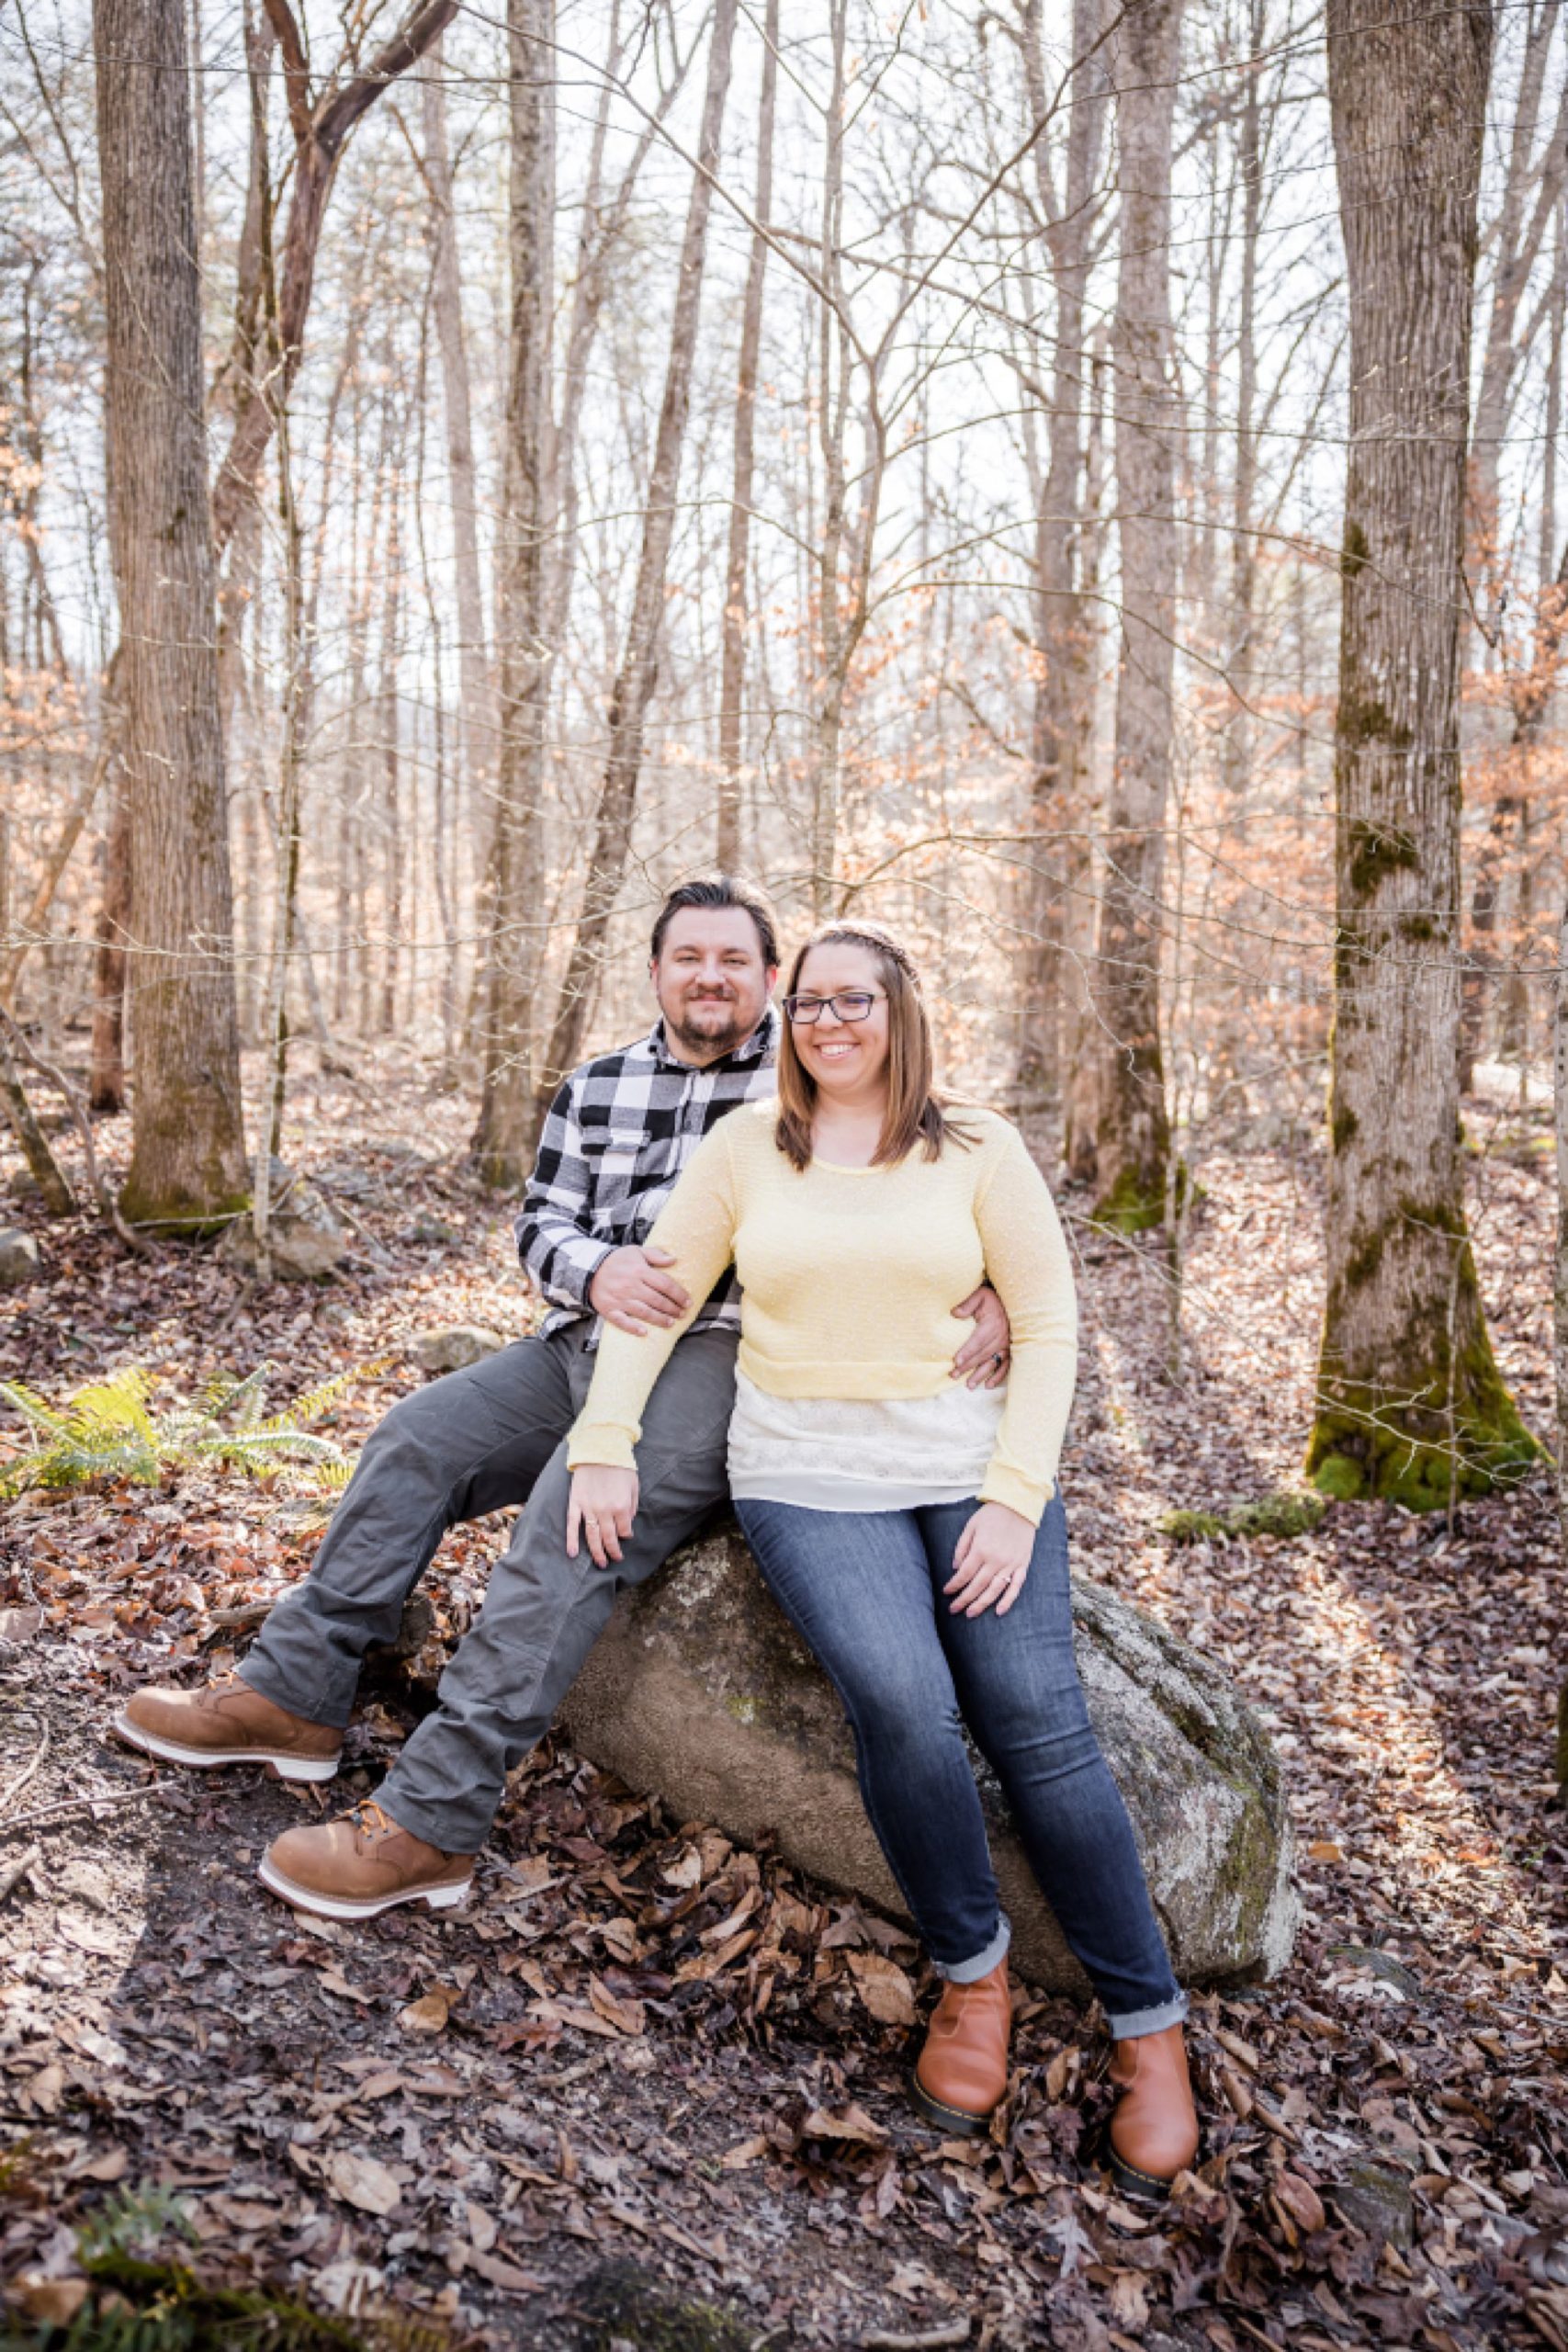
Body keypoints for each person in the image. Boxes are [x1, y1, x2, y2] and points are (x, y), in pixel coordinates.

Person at [112, 877, 1013, 1924]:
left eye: (735, 961)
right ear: (656, 970)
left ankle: (433, 1820)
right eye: (689, 957)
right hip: (583, 1340)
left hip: (718, 1359)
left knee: (567, 1526)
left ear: (772, 979)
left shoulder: (813, 1077)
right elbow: (540, 1221)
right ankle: (293, 1693)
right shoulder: (597, 1085)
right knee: (416, 1437)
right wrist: (595, 1272)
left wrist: (991, 1282)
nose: (710, 977)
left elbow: (938, 1178)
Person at [564, 919, 1199, 2201]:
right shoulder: (749, 1146)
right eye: (806, 1003)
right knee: (903, 1707)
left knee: (1038, 1721)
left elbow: (1053, 1325)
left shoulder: (977, 1146)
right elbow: (658, 1293)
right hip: (809, 1478)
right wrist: (601, 1440)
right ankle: (974, 1980)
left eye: (852, 1000)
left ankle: (1150, 2029)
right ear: (785, 1021)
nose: (826, 1021)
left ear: (899, 1011)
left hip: (967, 1470)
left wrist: (1015, 1499)